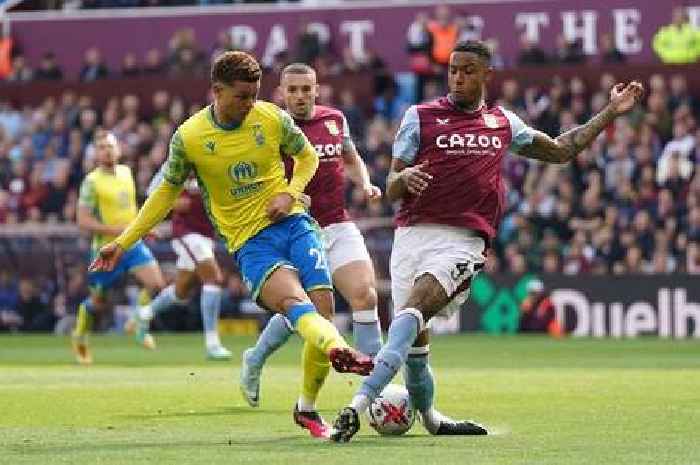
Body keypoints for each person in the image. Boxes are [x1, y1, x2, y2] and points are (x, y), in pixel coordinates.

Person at [329, 40, 643, 442]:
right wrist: (401, 180)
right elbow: (391, 185)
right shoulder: (419, 118)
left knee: (409, 315)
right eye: (453, 70)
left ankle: (356, 407)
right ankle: (430, 419)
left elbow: (564, 149)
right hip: (411, 236)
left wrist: (610, 112)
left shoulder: (502, 124)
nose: (458, 77)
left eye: (467, 70)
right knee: (415, 343)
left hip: (462, 242)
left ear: (486, 75)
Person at [89, 51, 373, 435]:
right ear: (216, 91)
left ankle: (306, 407)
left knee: (323, 308)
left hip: (295, 225)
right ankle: (337, 349)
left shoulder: (271, 117)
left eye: (254, 94)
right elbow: (163, 196)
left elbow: (307, 158)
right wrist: (123, 242)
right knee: (295, 304)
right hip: (250, 241)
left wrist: (290, 194)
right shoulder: (189, 138)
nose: (250, 104)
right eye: (241, 96)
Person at [239, 63, 383, 422]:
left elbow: (350, 158)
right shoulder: (268, 126)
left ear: (317, 90)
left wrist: (364, 183)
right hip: (293, 231)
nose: (300, 96)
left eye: (306, 89)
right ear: (281, 93)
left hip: (337, 223)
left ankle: (376, 387)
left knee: (366, 294)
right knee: (307, 312)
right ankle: (256, 357)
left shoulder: (335, 120)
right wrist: (284, 197)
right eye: (293, 90)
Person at [73, 130, 167, 365]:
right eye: (102, 147)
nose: (107, 150)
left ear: (119, 149)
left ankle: (138, 324)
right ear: (96, 153)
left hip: (132, 245)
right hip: (106, 250)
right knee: (98, 303)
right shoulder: (91, 182)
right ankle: (80, 337)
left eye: (111, 146)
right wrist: (120, 232)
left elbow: (132, 212)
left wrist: (143, 228)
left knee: (156, 284)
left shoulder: (126, 173)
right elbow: (83, 221)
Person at [127, 173, 232, 360]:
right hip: (186, 232)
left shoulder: (213, 157)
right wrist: (172, 203)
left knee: (181, 291)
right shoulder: (177, 158)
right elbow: (154, 191)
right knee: (213, 278)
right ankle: (212, 344)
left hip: (206, 233)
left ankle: (144, 314)